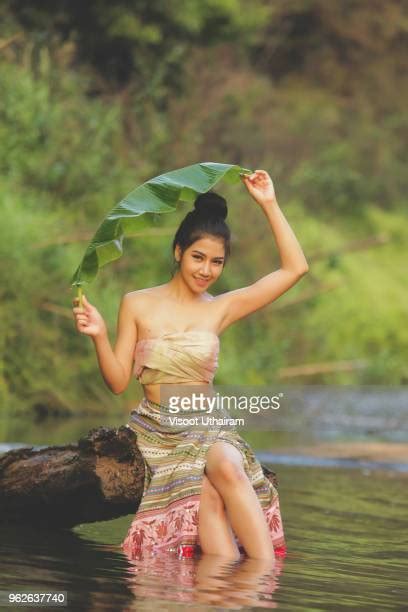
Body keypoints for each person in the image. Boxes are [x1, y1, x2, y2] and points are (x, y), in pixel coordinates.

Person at [72, 169, 309, 562]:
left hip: (209, 423)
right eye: (198, 257)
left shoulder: (221, 308)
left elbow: (294, 269)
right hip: (159, 429)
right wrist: (98, 334)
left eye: (217, 262)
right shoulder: (137, 302)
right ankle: (230, 592)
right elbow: (117, 382)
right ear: (178, 251)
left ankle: (265, 580)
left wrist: (268, 203)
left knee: (227, 470)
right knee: (211, 505)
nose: (205, 270)